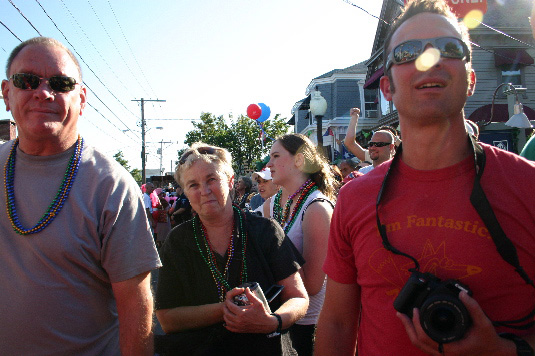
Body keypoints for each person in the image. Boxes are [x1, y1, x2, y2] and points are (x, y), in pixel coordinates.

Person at [315, 1, 535, 355]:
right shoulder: (355, 199)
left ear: (471, 79)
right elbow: (338, 323)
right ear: (386, 88)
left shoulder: (528, 187)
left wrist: (501, 351)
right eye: (406, 52)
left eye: (449, 49)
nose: (429, 60)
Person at [0, 37, 161, 355]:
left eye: (60, 83)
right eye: (27, 80)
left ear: (82, 99)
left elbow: (135, 307)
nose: (44, 92)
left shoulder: (111, 186)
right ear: (7, 93)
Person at [155, 142, 309, 356]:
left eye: (212, 179)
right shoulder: (178, 242)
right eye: (193, 185)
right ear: (186, 193)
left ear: (230, 182)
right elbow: (167, 318)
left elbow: (298, 298)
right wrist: (227, 310)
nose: (205, 191)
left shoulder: (264, 230)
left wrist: (272, 322)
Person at [266, 133, 337, 355]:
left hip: (307, 325)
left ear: (299, 160)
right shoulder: (272, 204)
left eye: (276, 156)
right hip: (277, 317)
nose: (268, 164)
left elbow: (313, 286)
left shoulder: (316, 207)